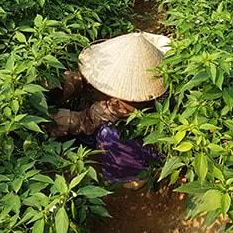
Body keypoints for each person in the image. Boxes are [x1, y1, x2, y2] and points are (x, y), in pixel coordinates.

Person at [44, 31, 171, 185]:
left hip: (152, 140)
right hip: (116, 117)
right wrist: (54, 87)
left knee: (109, 135)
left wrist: (57, 120)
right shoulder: (149, 61)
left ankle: (131, 175)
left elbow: (90, 119)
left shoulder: (140, 99)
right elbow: (85, 80)